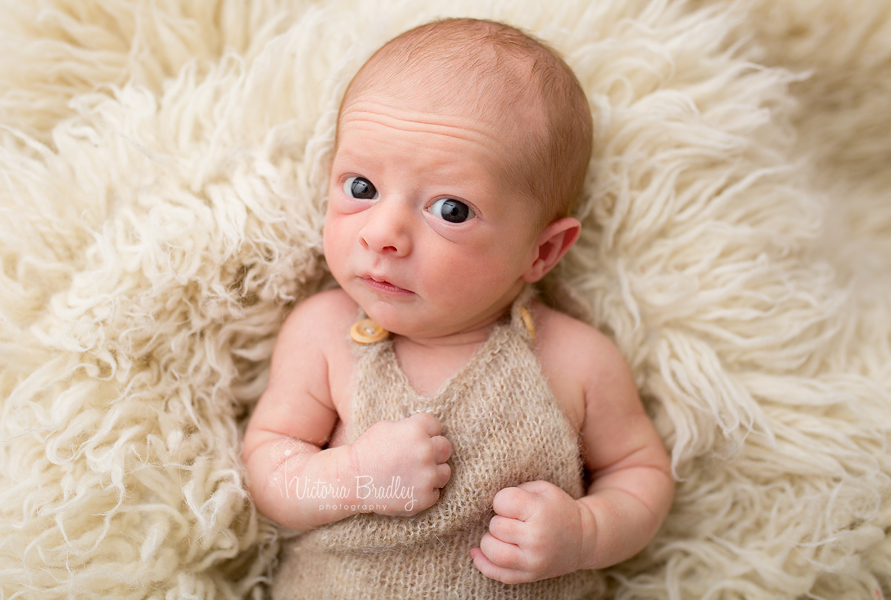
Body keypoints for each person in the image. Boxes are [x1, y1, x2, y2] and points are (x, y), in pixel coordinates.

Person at [242, 17, 674, 599]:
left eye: (450, 209)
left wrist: (585, 531)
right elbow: (271, 475)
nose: (382, 233)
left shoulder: (575, 359)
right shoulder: (323, 334)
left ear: (541, 251)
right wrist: (352, 479)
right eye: (362, 188)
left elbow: (640, 475)